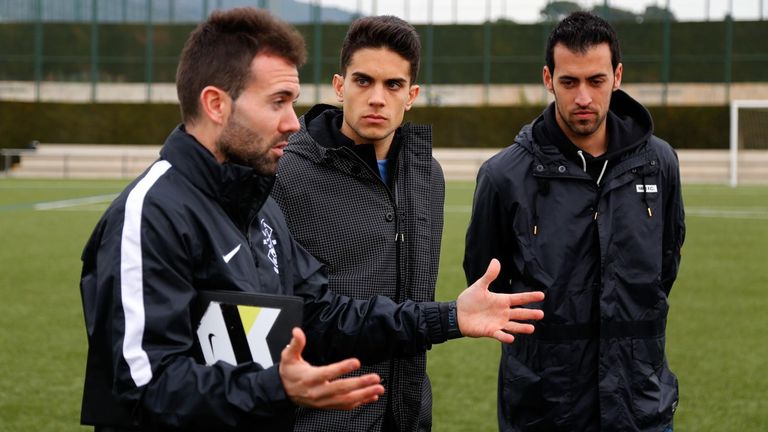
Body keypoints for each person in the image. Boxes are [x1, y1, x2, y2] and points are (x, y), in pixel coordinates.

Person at [79, 8, 545, 432]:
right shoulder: (152, 212)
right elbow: (141, 389)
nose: (293, 122)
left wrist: (449, 317)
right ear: (217, 104)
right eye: (278, 101)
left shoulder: (255, 206)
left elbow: (323, 315)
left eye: (293, 101)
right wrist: (278, 390)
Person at [463, 11, 685, 432]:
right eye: (569, 82)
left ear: (617, 76)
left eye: (596, 81)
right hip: (544, 408)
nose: (583, 97)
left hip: (640, 405)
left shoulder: (659, 164)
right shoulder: (503, 175)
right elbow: (486, 280)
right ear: (548, 79)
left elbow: (665, 268)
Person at [271, 16, 441, 432]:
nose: (377, 98)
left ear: (412, 95)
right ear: (339, 85)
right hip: (321, 419)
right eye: (363, 81)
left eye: (393, 85)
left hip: (407, 412)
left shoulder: (427, 175)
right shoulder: (287, 172)